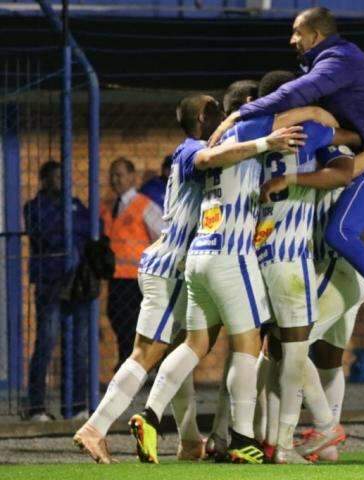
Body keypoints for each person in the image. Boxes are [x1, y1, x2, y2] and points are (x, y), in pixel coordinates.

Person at [127, 83, 321, 465]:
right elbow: (301, 124)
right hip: (232, 255)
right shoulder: (244, 133)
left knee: (194, 346)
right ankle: (242, 439)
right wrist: (279, 136)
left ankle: (149, 414)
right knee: (247, 348)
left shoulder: (211, 144)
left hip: (200, 254)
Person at [214, 7, 364, 345]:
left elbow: (299, 98)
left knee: (339, 232)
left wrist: (237, 114)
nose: (292, 39)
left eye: (296, 32)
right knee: (315, 358)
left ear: (315, 35)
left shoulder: (338, 60)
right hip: (295, 251)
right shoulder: (322, 71)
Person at [74, 94, 226, 463]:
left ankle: (189, 439)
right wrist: (264, 141)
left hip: (164, 264)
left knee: (179, 353)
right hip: (172, 269)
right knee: (152, 353)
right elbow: (211, 157)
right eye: (219, 112)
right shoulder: (192, 150)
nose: (225, 118)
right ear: (204, 116)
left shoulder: (188, 153)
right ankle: (95, 427)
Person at [259, 124, 364, 462]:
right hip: (346, 268)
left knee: (287, 345)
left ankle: (316, 429)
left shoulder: (324, 149)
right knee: (328, 359)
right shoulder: (335, 143)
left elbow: (343, 172)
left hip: (336, 267)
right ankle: (328, 445)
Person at [24, 161, 92, 421]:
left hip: (77, 284)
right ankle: (36, 407)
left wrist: (68, 230)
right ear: (43, 180)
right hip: (50, 282)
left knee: (79, 346)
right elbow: (45, 234)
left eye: (62, 177)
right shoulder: (34, 207)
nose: (59, 182)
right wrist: (69, 229)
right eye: (53, 178)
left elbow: (90, 228)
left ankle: (76, 406)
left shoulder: (76, 204)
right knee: (46, 342)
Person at [101, 158, 164, 370]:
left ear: (132, 177)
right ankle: (129, 362)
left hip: (135, 277)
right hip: (116, 275)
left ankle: (134, 365)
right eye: (112, 174)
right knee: (118, 318)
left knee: (131, 322)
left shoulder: (142, 204)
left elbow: (161, 233)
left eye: (119, 174)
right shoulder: (110, 207)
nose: (115, 179)